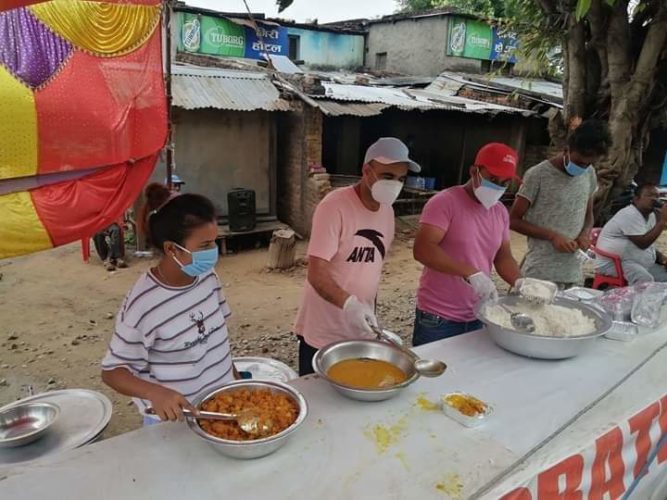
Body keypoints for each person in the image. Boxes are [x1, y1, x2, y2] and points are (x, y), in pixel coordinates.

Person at [101, 193, 236, 424]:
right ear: (172, 249)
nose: (214, 250)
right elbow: (112, 372)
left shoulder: (207, 277)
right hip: (176, 421)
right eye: (205, 245)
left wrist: (235, 379)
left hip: (223, 408)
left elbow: (216, 339)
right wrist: (156, 394)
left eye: (214, 241)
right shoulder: (144, 303)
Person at [294, 137, 420, 375]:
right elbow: (316, 271)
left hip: (362, 330)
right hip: (324, 331)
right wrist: (350, 304)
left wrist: (369, 311)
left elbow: (370, 270)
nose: (395, 184)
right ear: (366, 171)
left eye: (401, 179)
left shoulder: (388, 212)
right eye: (387, 176)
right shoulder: (334, 206)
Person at [412, 143, 522, 346]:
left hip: (477, 314)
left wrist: (521, 283)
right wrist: (470, 272)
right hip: (438, 317)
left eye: (504, 183)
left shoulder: (499, 212)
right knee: (434, 376)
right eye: (493, 179)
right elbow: (423, 249)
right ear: (474, 171)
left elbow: (503, 256)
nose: (498, 187)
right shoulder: (445, 202)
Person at [510, 120, 611, 288]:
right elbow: (513, 220)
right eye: (579, 162)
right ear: (567, 150)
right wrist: (552, 236)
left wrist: (585, 233)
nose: (584, 167)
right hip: (540, 272)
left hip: (573, 273)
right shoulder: (538, 175)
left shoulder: (589, 174)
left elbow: (588, 215)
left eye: (589, 163)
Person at [595, 184, 667, 284]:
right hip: (614, 263)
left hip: (636, 262)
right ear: (636, 199)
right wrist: (662, 221)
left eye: (657, 196)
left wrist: (663, 259)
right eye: (650, 195)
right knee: (644, 280)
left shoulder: (651, 216)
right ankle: (638, 299)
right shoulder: (629, 214)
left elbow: (649, 245)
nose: (655, 199)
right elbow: (642, 243)